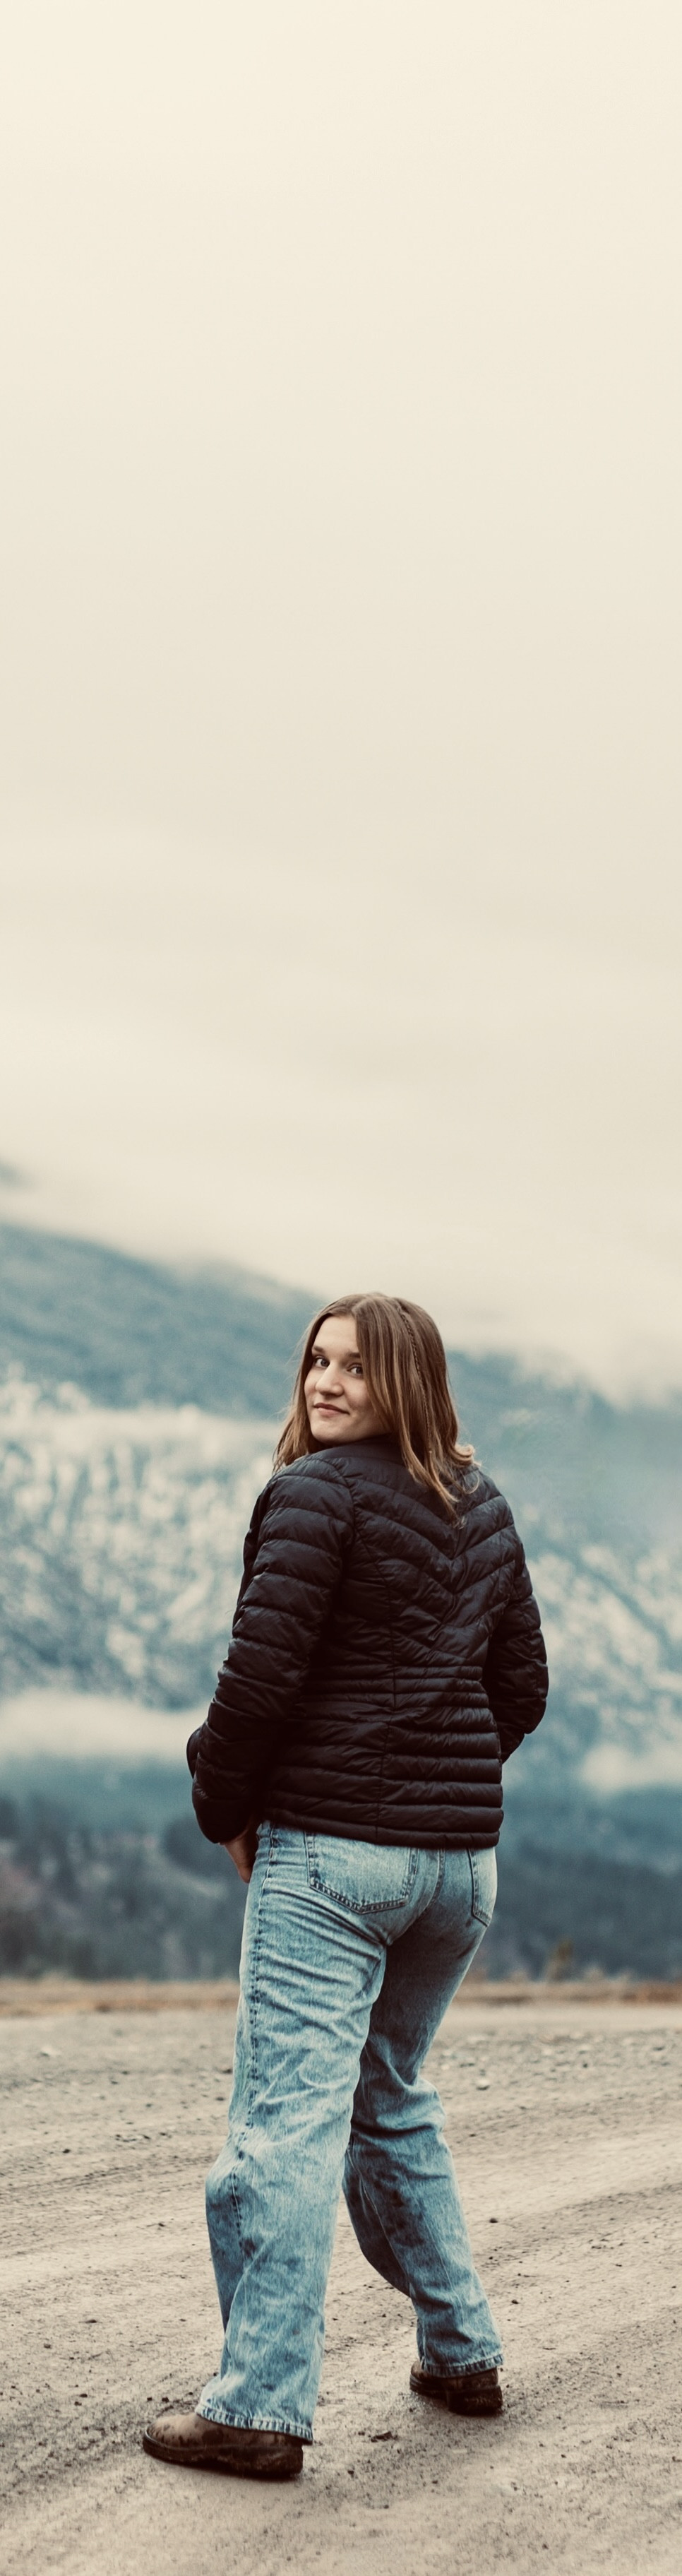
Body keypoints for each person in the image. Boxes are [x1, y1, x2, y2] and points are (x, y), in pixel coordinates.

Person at [143, 1293, 548, 2483]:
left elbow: (258, 1680)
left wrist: (224, 1805)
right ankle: (460, 2351)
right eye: (316, 1360)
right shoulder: (480, 1501)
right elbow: (520, 1686)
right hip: (456, 1873)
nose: (325, 1382)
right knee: (391, 2098)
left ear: (405, 1380)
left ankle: (258, 2409)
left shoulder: (314, 1495)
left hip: (331, 1862)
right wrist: (432, 1783)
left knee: (283, 2128)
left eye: (355, 1367)